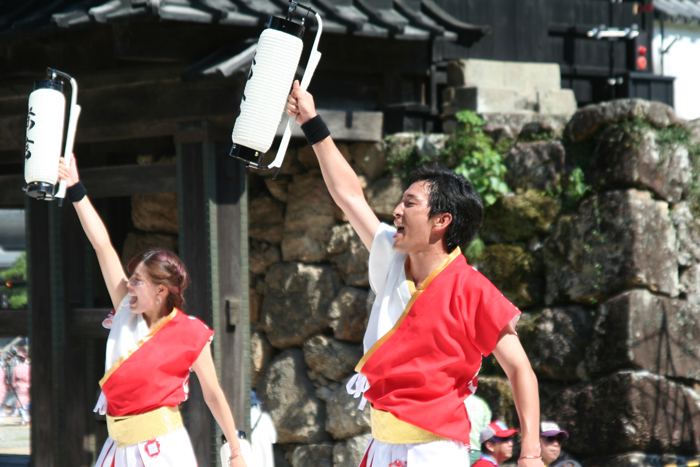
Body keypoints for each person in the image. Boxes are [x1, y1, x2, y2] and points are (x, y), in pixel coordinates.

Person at [286, 82, 542, 467]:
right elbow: (349, 196)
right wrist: (311, 121)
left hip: (433, 450)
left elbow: (520, 369)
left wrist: (531, 454)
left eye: (410, 202)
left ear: (442, 220)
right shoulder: (392, 256)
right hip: (382, 443)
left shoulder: (473, 290)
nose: (397, 210)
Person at [58, 158, 247, 467]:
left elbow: (213, 394)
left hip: (162, 449)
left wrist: (236, 451)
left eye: (138, 280)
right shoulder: (125, 309)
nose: (128, 285)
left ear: (161, 291)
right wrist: (77, 191)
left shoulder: (190, 333)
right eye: (130, 278)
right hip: (117, 446)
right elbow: (102, 246)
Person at [465, 394, 493, 465]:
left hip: (458, 450)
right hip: (477, 451)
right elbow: (487, 431)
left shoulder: (453, 400)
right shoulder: (481, 402)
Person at [11, 354, 30, 425]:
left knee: (21, 403)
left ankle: (25, 418)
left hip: (20, 385)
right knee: (28, 402)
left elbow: (13, 379)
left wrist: (14, 386)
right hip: (29, 384)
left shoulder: (16, 368)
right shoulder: (29, 367)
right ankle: (27, 417)